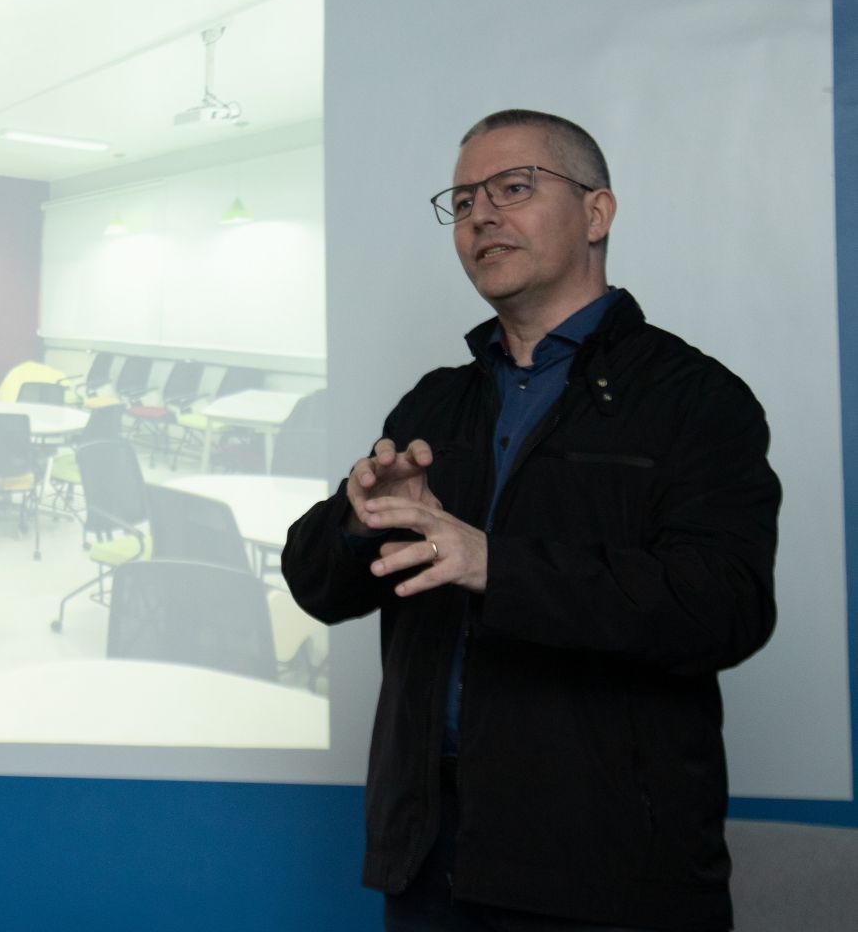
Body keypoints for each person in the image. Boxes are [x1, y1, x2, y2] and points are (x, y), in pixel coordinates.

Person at [282, 110, 779, 932]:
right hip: (429, 851)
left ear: (597, 213)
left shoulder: (696, 399)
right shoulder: (439, 400)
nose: (482, 215)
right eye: (464, 199)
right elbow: (320, 588)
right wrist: (358, 517)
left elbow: (723, 606)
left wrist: (494, 565)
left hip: (607, 866)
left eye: (514, 188)